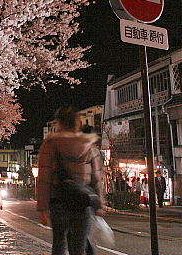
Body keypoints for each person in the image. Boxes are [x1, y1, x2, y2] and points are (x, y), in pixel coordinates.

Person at [37, 106, 105, 255]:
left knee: (59, 245)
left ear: (59, 123)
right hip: (82, 203)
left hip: (59, 201)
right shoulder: (89, 145)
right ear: (78, 123)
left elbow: (43, 178)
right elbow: (96, 178)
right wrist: (99, 204)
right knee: (79, 248)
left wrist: (42, 208)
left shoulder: (50, 144)